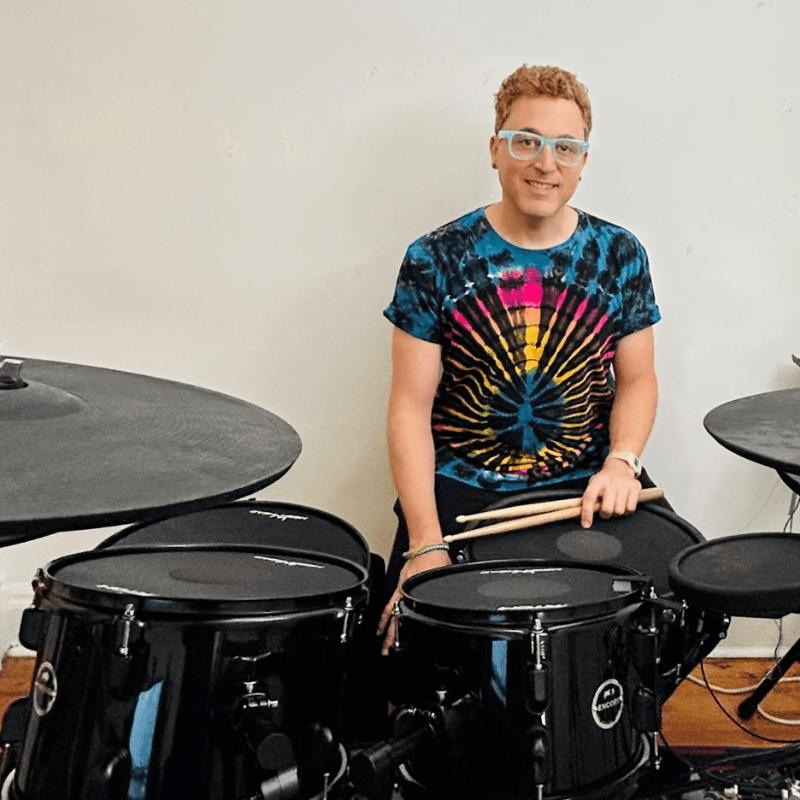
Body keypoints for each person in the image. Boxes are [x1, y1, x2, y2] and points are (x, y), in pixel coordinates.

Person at [378, 65, 661, 652]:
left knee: (678, 609)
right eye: (526, 141)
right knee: (409, 645)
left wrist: (623, 462)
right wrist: (426, 543)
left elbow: (637, 380)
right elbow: (409, 406)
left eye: (565, 147)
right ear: (495, 149)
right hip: (462, 489)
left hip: (585, 483)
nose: (545, 163)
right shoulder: (434, 258)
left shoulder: (620, 253)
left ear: (584, 161)